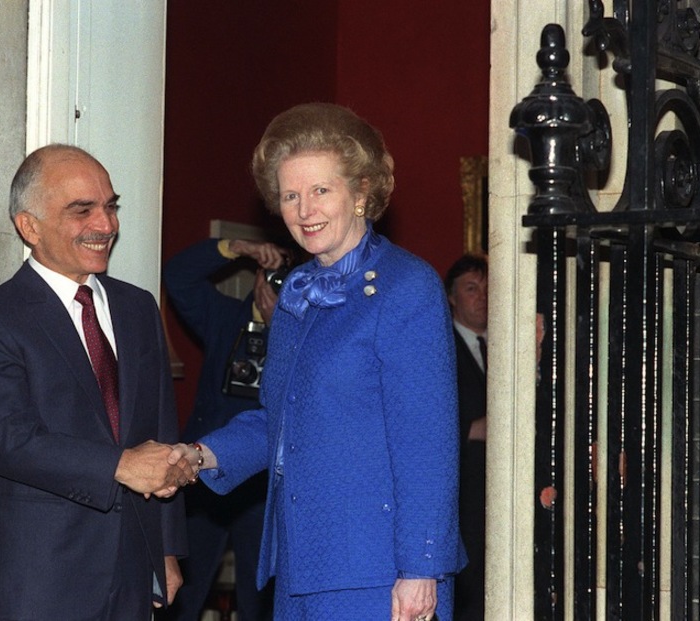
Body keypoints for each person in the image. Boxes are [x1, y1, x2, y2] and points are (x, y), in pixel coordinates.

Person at [169, 103, 466, 621]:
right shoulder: (297, 295)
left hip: (380, 572)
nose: (304, 210)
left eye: (320, 191)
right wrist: (198, 455)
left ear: (361, 193)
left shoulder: (404, 285)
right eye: (290, 195)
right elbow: (276, 420)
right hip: (302, 564)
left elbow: (428, 442)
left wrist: (420, 570)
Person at [0, 144, 194, 620]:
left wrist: (166, 550)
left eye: (110, 206)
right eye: (82, 210)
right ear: (30, 226)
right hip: (40, 581)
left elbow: (161, 429)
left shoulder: (137, 307)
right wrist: (118, 465)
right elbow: (6, 439)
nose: (105, 225)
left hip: (131, 575)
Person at [162, 237, 287, 621]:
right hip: (204, 471)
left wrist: (280, 326)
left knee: (260, 599)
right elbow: (178, 276)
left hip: (262, 488)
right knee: (183, 586)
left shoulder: (305, 335)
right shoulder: (226, 317)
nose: (276, 290)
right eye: (274, 279)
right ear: (259, 278)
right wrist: (235, 248)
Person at [444, 253, 489, 621]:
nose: (483, 297)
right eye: (472, 288)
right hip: (464, 498)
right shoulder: (441, 349)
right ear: (452, 298)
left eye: (488, 288)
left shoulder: (509, 347)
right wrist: (474, 428)